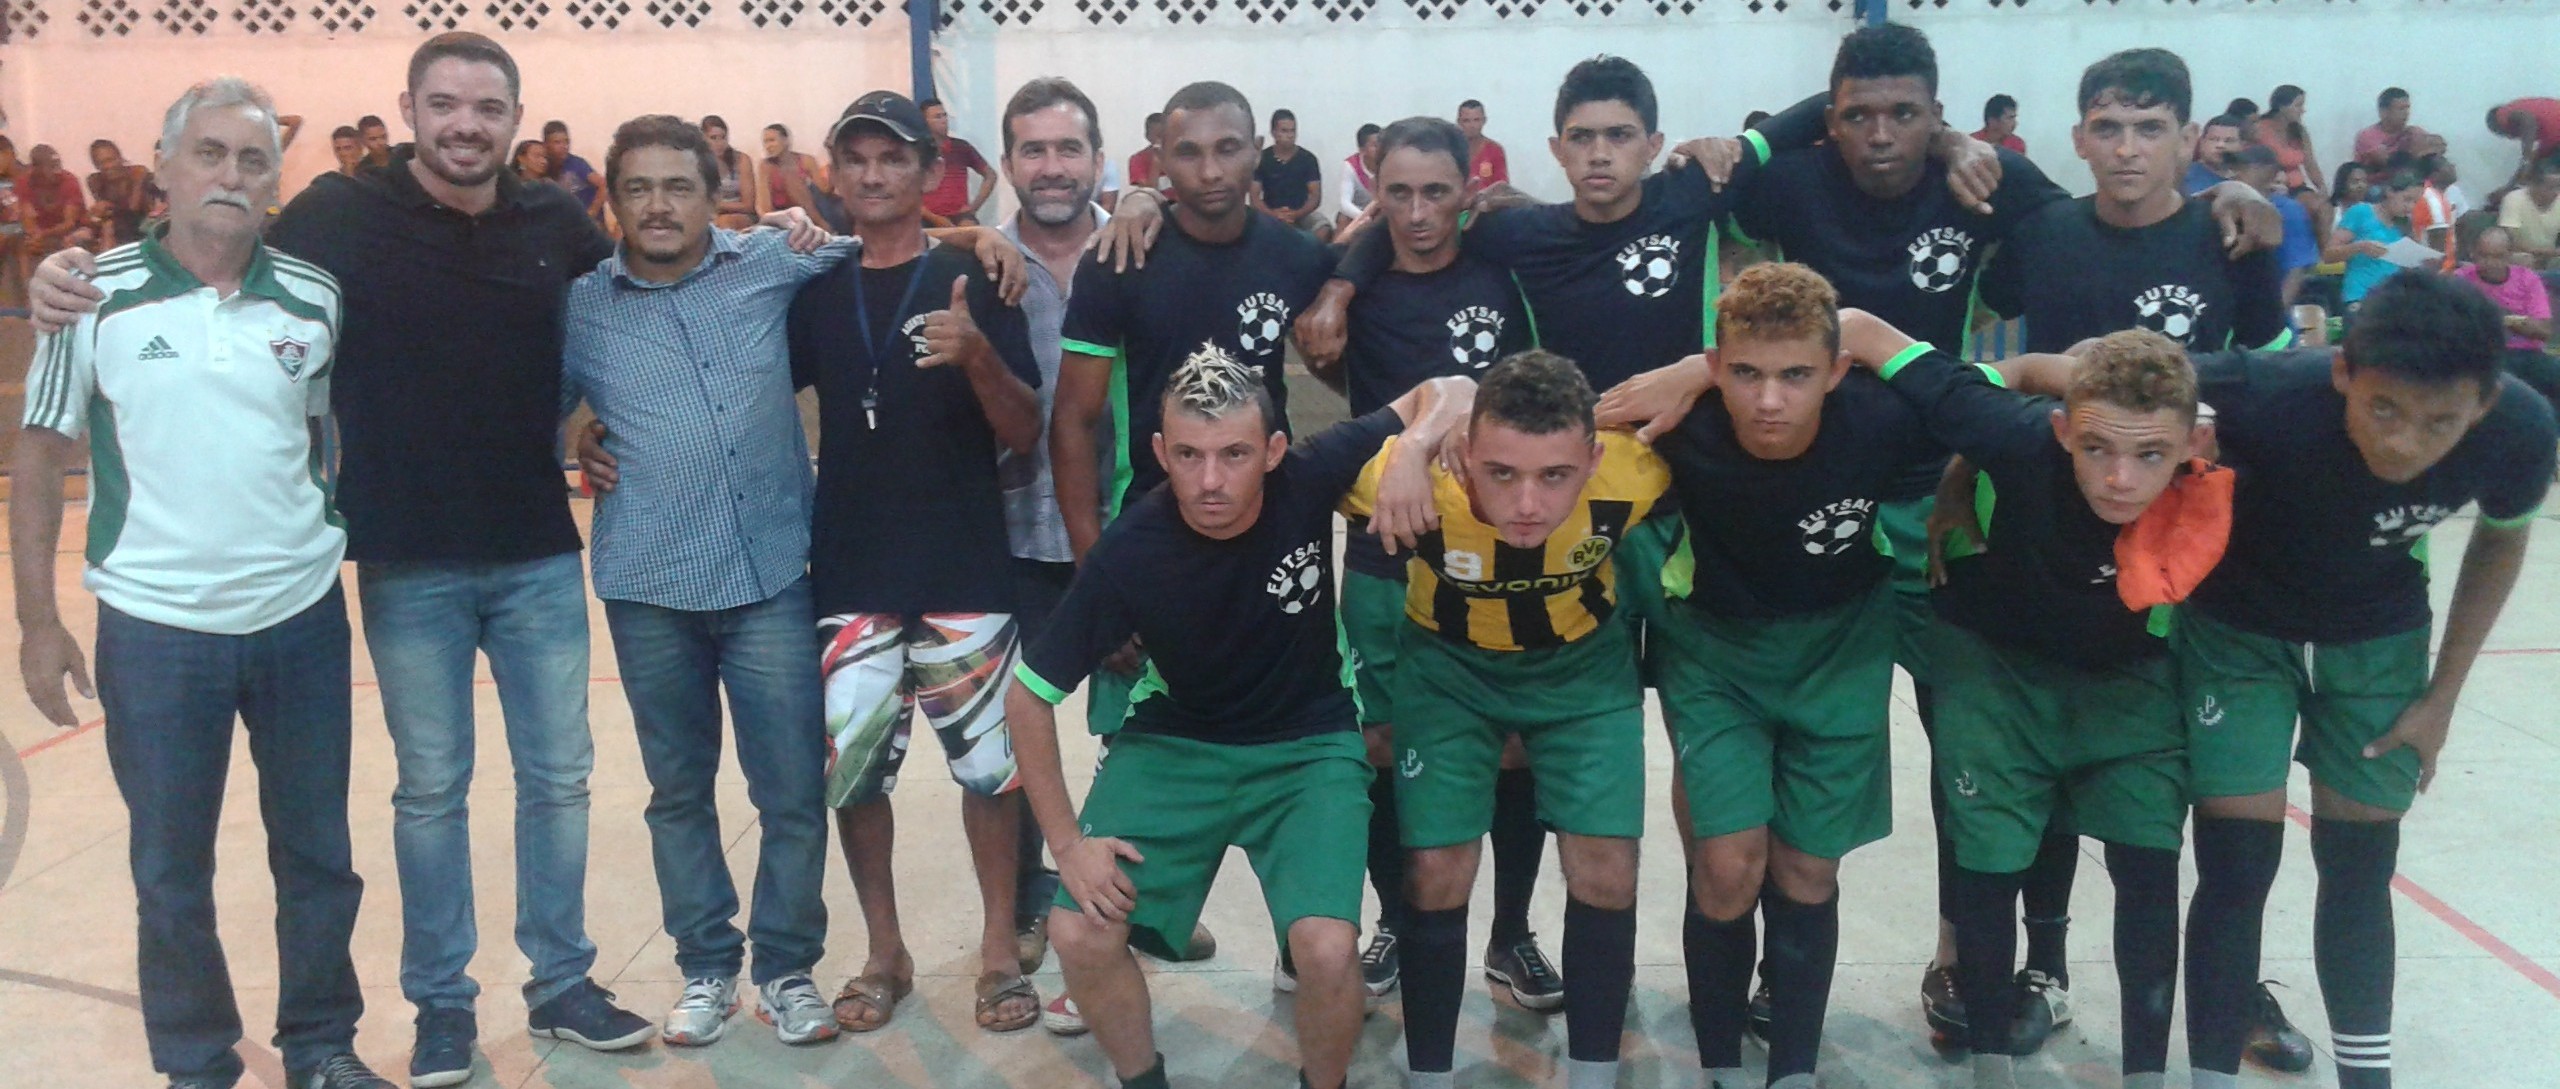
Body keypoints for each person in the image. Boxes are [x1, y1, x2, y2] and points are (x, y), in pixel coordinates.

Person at [30, 32, 658, 1086]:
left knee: (544, 787)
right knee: (416, 798)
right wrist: (66, 268)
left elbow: (633, 306)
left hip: (512, 561)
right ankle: (428, 1013)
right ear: (408, 109)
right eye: (445, 102)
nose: (467, 123)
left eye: (489, 107)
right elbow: (195, 264)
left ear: (514, 118)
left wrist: (765, 245)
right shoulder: (325, 221)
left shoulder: (550, 221)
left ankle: (546, 987)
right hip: (386, 567)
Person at [9, 76, 394, 1089]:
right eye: (211, 154)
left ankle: (321, 1047)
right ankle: (196, 1063)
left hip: (300, 621)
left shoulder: (313, 298)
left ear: (274, 180)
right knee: (170, 874)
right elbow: (41, 456)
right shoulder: (91, 296)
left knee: (317, 855)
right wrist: (38, 622)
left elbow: (323, 433)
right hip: (155, 628)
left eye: (253, 160)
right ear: (166, 168)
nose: (232, 175)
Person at [1707, 23, 2075, 1050]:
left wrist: (1968, 146)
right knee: (1792, 747)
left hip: (1935, 498)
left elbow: (2102, 220)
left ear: (1936, 112)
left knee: (1965, 740)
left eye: (1905, 115)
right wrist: (1795, 125)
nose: (1879, 136)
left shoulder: (1976, 183)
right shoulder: (1794, 181)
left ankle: (1965, 956)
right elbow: (1731, 167)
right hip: (1810, 499)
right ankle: (1783, 976)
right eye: (1856, 115)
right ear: (1828, 121)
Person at [1011, 348, 1471, 1089]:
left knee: (1325, 949)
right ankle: (1143, 1080)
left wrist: (1414, 448)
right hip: (1174, 739)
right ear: (1160, 452)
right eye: (1188, 455)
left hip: (1309, 742)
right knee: (1078, 929)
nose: (1211, 480)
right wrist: (1067, 845)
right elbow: (1028, 696)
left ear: (1274, 450)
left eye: (1234, 454)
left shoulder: (1309, 475)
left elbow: (1453, 388)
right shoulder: (1131, 549)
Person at [2160, 270, 2554, 1089]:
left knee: (2362, 859)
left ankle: (2366, 1078)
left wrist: (2442, 697)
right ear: (2342, 370)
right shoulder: (2266, 390)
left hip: (2379, 640)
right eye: (2383, 409)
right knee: (2235, 862)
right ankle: (2209, 1075)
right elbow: (2114, 372)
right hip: (2240, 631)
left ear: (2484, 402)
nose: (2405, 441)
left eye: (2440, 420)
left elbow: (2502, 540)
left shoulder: (2520, 426)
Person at [1597, 263, 1943, 1089]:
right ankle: (1720, 1061)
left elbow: (2001, 403)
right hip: (1716, 653)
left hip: (1842, 650)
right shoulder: (1675, 425)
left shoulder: (1887, 418)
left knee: (1806, 869)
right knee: (1726, 863)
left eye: (1795, 375)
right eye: (1746, 373)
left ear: (1836, 370)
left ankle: (1792, 1067)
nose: (1769, 400)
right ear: (1716, 367)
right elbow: (1537, 427)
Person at [1849, 320, 2219, 1089]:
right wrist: (1690, 371)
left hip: (2130, 676)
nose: (2120, 477)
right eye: (2095, 449)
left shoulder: (2242, 453)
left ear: (2192, 443)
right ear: (2060, 430)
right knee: (1988, 862)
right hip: (1995, 664)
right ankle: (1991, 1069)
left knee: (2150, 864)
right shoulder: (2011, 433)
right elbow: (1858, 330)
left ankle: (2145, 1074)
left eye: (2150, 455)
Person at [558, 114, 851, 1050]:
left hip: (769, 575)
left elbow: (888, 240)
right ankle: (706, 967)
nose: (657, 204)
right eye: (637, 187)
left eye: (677, 186)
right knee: (679, 792)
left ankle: (789, 967)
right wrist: (572, 435)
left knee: (793, 789)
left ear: (713, 192)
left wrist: (1105, 207)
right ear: (612, 198)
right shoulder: (581, 306)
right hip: (648, 584)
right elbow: (515, 398)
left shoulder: (769, 262)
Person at [789, 89, 1050, 1039]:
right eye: (853, 157)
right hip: (851, 574)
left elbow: (1023, 434)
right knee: (856, 778)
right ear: (834, 172)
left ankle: (993, 949)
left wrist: (978, 354)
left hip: (964, 569)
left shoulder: (978, 279)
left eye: (891, 158)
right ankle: (884, 950)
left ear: (926, 171)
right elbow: (742, 381)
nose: (871, 174)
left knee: (990, 774)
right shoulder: (812, 286)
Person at [1348, 351, 1658, 1089]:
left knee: (1608, 869)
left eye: (1555, 476)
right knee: (1435, 870)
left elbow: (1759, 394)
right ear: (1464, 451)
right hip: (1448, 672)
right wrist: (1415, 444)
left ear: (1591, 458)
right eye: (1503, 473)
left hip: (1583, 671)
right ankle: (1428, 1072)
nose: (1527, 503)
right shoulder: (1404, 471)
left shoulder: (1636, 468)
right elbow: (1282, 475)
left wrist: (1690, 373)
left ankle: (1591, 1073)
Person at [1316, 116, 1553, 1026]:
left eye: (1437, 192)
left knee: (1512, 747)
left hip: (1502, 555)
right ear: (1374, 191)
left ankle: (1513, 930)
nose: (1418, 213)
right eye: (1398, 193)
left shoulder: (1506, 270)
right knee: (1381, 744)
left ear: (1471, 188)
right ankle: (1394, 920)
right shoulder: (1355, 280)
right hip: (1385, 553)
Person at [1050, 81, 1339, 751]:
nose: (1210, 171)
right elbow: (1072, 421)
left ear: (1259, 153)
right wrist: (1096, 575)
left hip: (1268, 532)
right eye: (1189, 153)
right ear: (1158, 162)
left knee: (1287, 730)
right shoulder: (1120, 260)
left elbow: (1349, 363)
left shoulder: (1298, 259)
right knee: (1141, 750)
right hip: (1149, 530)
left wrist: (1340, 297)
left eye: (1229, 149)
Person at [974, 75, 1126, 1031]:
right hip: (1010, 537)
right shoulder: (987, 258)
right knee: (1010, 742)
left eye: (1069, 149)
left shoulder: (1136, 243)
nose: (1053, 166)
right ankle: (1024, 907)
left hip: (1129, 537)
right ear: (1007, 165)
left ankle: (1117, 910)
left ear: (1099, 160)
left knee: (1133, 736)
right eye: (1033, 150)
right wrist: (967, 233)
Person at [1982, 49, 2289, 356]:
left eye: (2149, 129)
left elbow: (2271, 376)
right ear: (2079, 140)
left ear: (2186, 140)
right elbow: (1963, 316)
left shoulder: (2231, 237)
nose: (2126, 149)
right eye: (2106, 129)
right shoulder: (2042, 233)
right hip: (2057, 406)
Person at [2456, 226, 2559, 404]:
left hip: (2528, 353)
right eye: (2484, 255)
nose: (2490, 263)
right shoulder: (2461, 280)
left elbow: (2544, 330)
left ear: (2510, 256)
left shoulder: (2528, 279)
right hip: (2484, 355)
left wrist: (2504, 319)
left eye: (2498, 256)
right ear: (2473, 254)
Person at [2234, 144, 2322, 305]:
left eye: (2246, 168)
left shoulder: (2288, 211)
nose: (2237, 173)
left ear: (2267, 172)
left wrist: (2276, 314)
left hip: (2270, 309)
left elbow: (2296, 270)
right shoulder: (2230, 207)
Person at [2329, 168, 2423, 310]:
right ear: (2390, 192)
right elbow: (2329, 254)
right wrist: (2359, 247)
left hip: (2393, 298)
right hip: (2360, 296)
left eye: (2415, 202)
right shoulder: (2361, 212)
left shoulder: (2405, 224)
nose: (2410, 207)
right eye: (2407, 199)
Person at [920, 97, 999, 226]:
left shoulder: (961, 147)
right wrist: (934, 218)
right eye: (937, 117)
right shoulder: (918, 151)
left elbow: (990, 175)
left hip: (960, 216)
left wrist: (973, 208)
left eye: (944, 115)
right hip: (928, 216)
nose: (944, 120)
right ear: (925, 122)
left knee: (972, 233)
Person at [1252, 107, 1324, 235]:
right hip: (1269, 213)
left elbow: (1315, 197)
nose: (1290, 135)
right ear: (1273, 133)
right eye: (1284, 131)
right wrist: (1274, 215)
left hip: (1302, 213)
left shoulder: (1308, 159)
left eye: (1293, 131)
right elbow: (1254, 198)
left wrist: (1295, 214)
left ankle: (1308, 255)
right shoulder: (1262, 159)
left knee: (1323, 229)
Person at [20, 144, 92, 258]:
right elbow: (28, 219)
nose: (56, 171)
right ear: (36, 169)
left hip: (72, 232)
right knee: (24, 245)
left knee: (73, 240)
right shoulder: (25, 183)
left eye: (57, 165)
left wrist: (43, 234)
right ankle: (28, 276)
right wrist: (35, 236)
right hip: (42, 236)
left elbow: (70, 223)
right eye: (50, 166)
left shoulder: (69, 180)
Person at [2496, 155, 2560, 277]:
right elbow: (2510, 242)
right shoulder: (2514, 199)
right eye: (2551, 188)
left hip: (2550, 259)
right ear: (2533, 185)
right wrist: (2550, 252)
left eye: (2559, 187)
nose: (2556, 192)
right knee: (2525, 260)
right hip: (2518, 256)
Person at [701, 114, 768, 229]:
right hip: (709, 214)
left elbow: (748, 205)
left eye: (723, 137)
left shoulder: (741, 160)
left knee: (725, 223)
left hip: (741, 214)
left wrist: (718, 205)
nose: (720, 143)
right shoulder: (698, 161)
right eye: (713, 138)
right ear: (703, 139)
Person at [2253, 86, 2322, 193]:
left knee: (2321, 205)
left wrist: (2323, 191)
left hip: (2297, 186)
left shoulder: (2300, 131)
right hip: (2270, 186)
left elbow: (2311, 165)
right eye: (2298, 106)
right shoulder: (2260, 129)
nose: (2303, 110)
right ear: (2282, 107)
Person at [85, 139, 152, 246]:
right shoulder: (95, 181)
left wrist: (107, 210)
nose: (107, 166)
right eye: (100, 163)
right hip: (116, 226)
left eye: (110, 160)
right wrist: (96, 215)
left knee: (111, 227)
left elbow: (134, 208)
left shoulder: (137, 173)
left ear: (120, 157)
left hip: (143, 223)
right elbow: (104, 213)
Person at [2486, 96, 2560, 181]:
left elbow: (2529, 121)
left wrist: (2526, 158)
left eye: (2501, 133)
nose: (2509, 137)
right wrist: (2509, 187)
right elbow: (2532, 161)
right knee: (2536, 169)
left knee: (2543, 173)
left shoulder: (2503, 113)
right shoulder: (2546, 128)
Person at [2356, 88, 2433, 169]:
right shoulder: (2367, 136)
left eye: (2407, 108)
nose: (2406, 113)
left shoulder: (2414, 132)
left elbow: (2435, 149)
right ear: (2384, 112)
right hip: (2376, 180)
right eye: (2401, 109)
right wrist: (2415, 149)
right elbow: (2388, 163)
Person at [543, 119, 604, 217]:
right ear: (546, 145)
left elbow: (603, 184)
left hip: (588, 225)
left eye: (566, 141)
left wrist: (592, 211)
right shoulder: (543, 167)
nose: (564, 146)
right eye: (557, 142)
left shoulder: (577, 163)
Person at [1336, 121, 1381, 231]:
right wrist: (1365, 218)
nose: (1380, 149)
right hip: (1359, 212)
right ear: (1362, 150)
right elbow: (1344, 203)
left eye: (1382, 144)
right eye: (1375, 145)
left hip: (1382, 211)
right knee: (1343, 218)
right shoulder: (1350, 166)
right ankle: (1337, 247)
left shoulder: (1391, 164)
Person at [1458, 98, 1508, 193]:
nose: (1472, 126)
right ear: (1459, 122)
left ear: (1484, 121)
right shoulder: (1451, 150)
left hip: (1487, 205)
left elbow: (1502, 188)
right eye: (1466, 121)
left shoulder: (1495, 150)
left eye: (1476, 120)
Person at [1126, 112, 1166, 196]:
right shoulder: (1137, 159)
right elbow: (1149, 193)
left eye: (1166, 135)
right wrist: (1156, 160)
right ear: (1147, 136)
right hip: (1155, 205)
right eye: (1159, 136)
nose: (1163, 140)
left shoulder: (1178, 157)